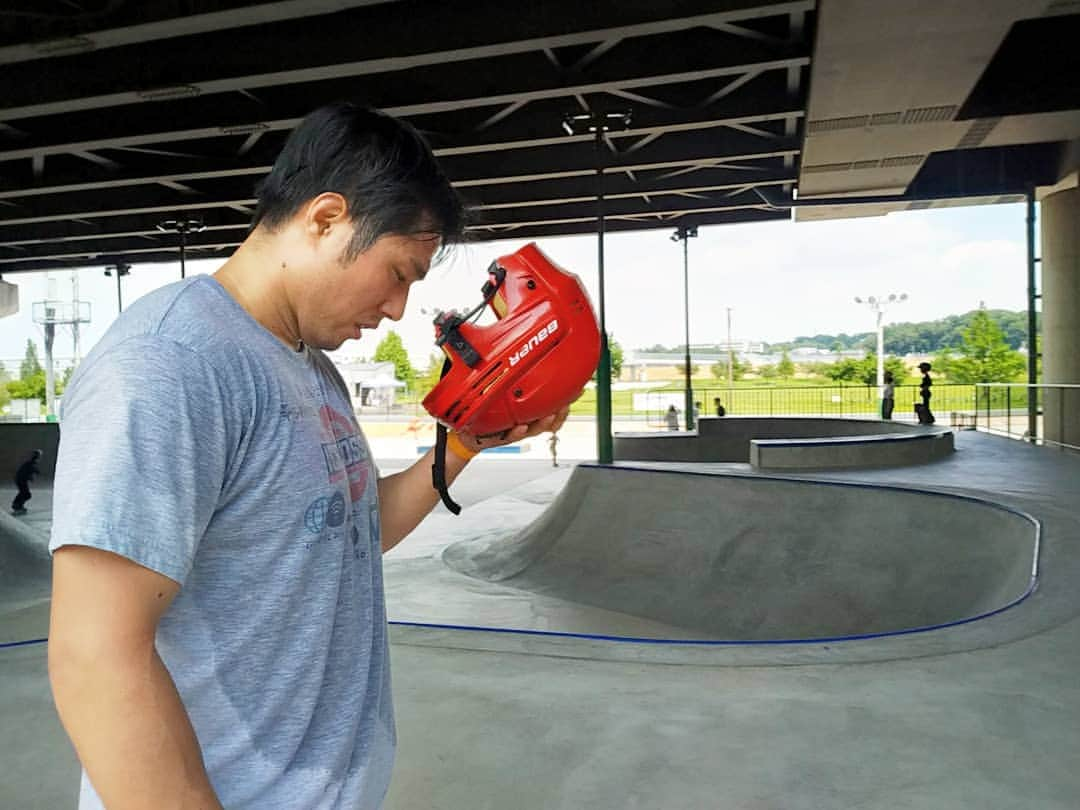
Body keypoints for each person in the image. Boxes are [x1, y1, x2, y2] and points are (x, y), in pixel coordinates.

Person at [47, 102, 569, 810]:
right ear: (326, 219)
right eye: (398, 272)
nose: (396, 308)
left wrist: (466, 444)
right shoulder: (169, 363)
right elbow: (94, 658)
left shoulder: (308, 366)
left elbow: (345, 532)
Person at [11, 448, 41, 515]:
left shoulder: (30, 464)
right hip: (20, 479)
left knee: (26, 494)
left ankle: (17, 505)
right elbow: (29, 470)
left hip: (21, 479)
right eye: (38, 458)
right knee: (26, 494)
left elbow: (27, 471)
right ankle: (16, 505)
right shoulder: (31, 463)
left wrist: (30, 477)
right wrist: (34, 474)